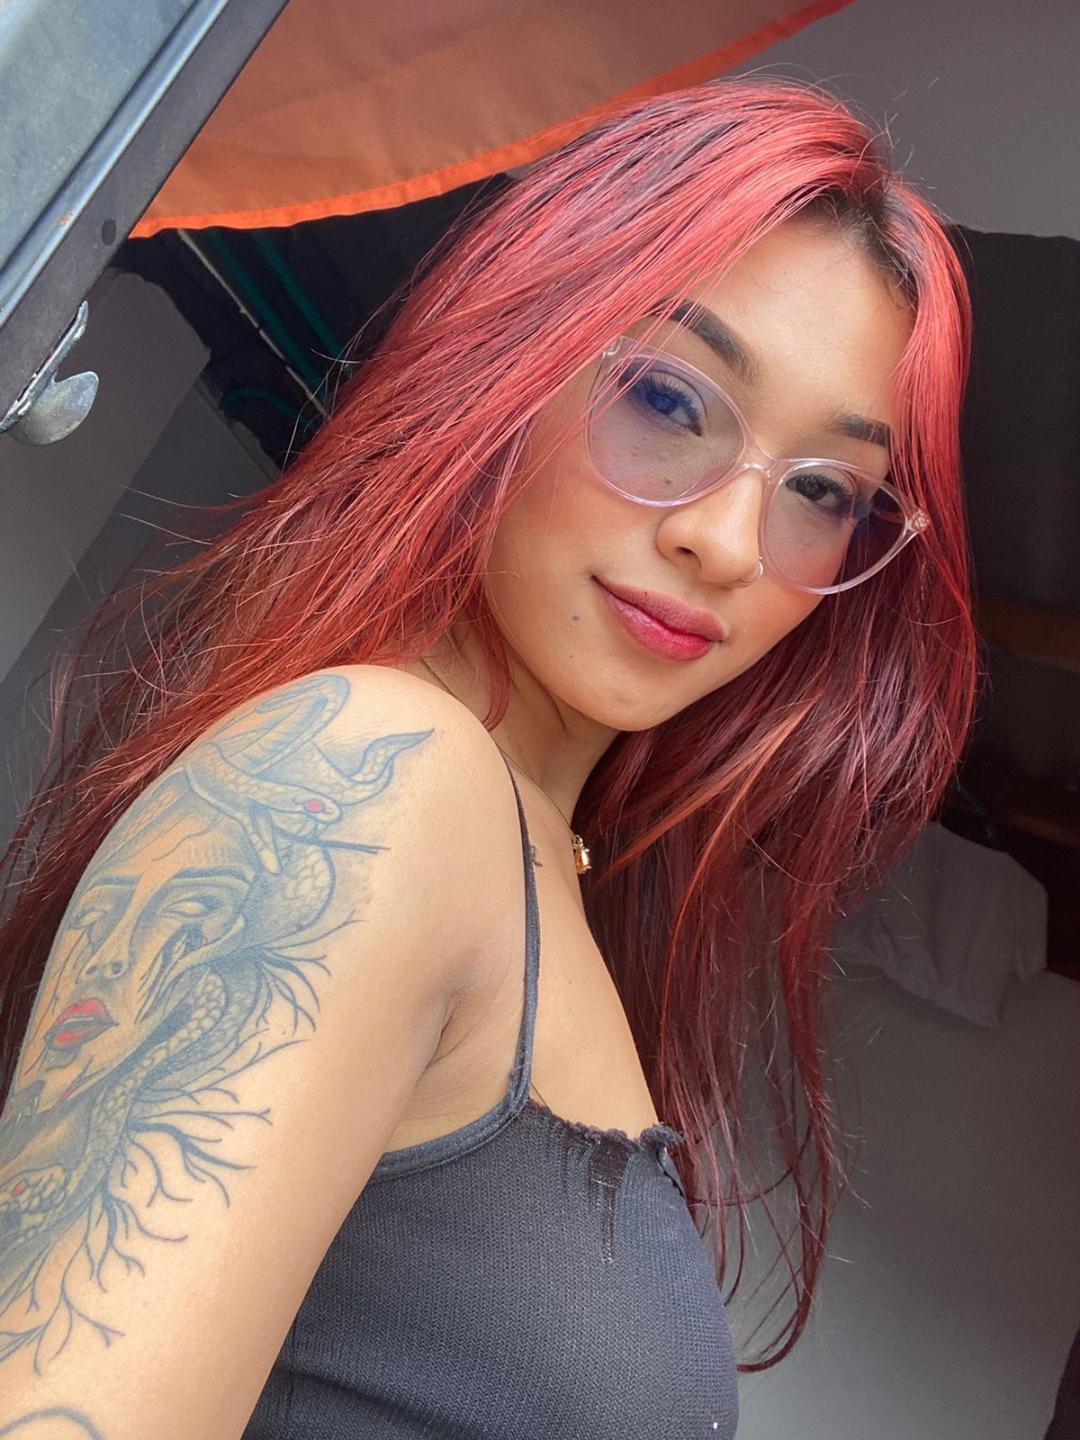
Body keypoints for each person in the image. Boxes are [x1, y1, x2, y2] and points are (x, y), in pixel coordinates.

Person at [0, 75, 977, 1439]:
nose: (726, 543)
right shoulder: (373, 777)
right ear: (516, 351)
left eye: (823, 490)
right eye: (667, 397)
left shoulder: (540, 869)